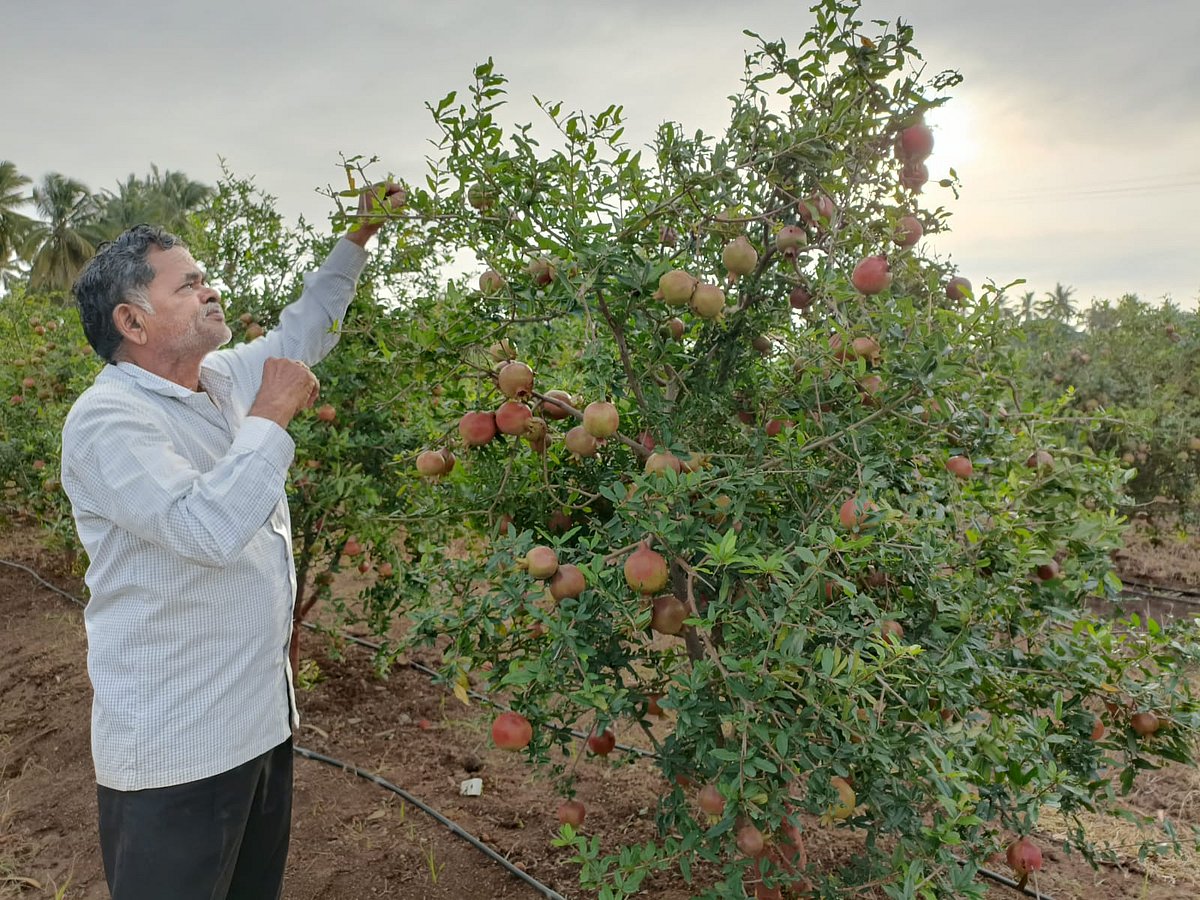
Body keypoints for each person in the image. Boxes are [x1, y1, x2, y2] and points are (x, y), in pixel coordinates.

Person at [60, 182, 405, 900]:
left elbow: (303, 333)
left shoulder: (217, 380)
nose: (210, 291)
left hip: (258, 726)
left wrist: (359, 237)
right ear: (133, 319)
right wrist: (272, 418)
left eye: (204, 277)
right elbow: (204, 527)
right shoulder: (108, 421)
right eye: (188, 285)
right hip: (176, 751)